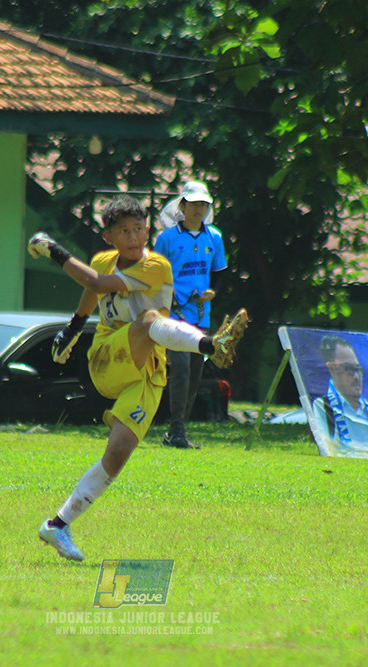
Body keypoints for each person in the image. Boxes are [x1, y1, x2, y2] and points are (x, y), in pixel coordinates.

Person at [26, 194, 248, 561]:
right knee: (147, 321)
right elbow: (95, 288)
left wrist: (53, 251)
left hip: (149, 374)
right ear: (109, 237)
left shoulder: (156, 265)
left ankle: (57, 525)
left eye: (138, 229)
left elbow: (98, 284)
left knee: (117, 455)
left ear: (148, 230)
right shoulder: (103, 261)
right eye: (123, 231)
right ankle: (211, 345)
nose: (133, 237)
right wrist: (73, 327)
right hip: (108, 358)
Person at [154, 181, 228, 449]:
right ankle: (176, 428)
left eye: (203, 204)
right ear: (182, 205)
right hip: (174, 315)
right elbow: (155, 272)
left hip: (201, 316)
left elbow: (219, 272)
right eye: (194, 203)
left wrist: (213, 292)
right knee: (181, 370)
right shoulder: (166, 238)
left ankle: (177, 431)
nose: (199, 209)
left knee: (195, 374)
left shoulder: (214, 237)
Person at [310, 334, 368, 460]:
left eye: (358, 369)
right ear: (332, 369)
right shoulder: (323, 408)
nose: (356, 376)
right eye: (349, 369)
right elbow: (327, 450)